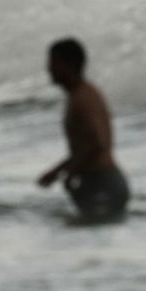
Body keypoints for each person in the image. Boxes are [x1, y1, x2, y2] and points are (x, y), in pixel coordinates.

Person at [37, 37, 129, 219]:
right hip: (99, 181)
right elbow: (86, 145)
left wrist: (68, 172)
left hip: (102, 182)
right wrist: (57, 172)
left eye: (53, 62)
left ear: (68, 64)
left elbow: (96, 143)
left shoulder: (83, 98)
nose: (48, 69)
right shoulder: (82, 94)